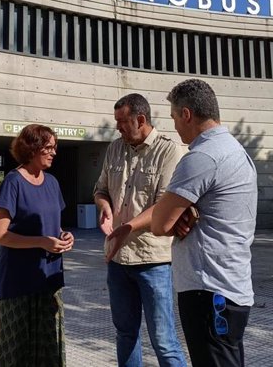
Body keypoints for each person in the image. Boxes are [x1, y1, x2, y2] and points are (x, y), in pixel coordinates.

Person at [152, 79, 258, 367]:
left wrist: (182, 208)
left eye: (174, 117)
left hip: (208, 291)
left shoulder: (202, 157)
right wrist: (190, 209)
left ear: (186, 114)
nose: (173, 126)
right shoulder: (234, 150)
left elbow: (160, 224)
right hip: (229, 286)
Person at [93, 93, 187, 367]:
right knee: (125, 334)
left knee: (164, 340)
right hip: (118, 259)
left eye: (123, 122)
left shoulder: (168, 151)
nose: (118, 128)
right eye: (116, 122)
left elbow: (164, 205)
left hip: (153, 262)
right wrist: (104, 207)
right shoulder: (114, 148)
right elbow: (100, 189)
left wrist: (127, 228)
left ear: (141, 119)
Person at [0, 124, 74, 367]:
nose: (54, 152)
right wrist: (41, 242)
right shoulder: (13, 182)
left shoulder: (53, 183)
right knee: (13, 355)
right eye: (48, 147)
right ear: (31, 148)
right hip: (18, 283)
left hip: (49, 280)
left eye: (55, 147)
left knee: (48, 355)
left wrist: (64, 236)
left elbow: (52, 227)